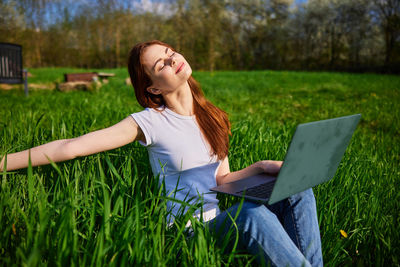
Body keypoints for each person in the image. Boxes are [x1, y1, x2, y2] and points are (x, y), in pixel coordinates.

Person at [0, 40, 323, 266]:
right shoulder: (148, 122)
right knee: (252, 215)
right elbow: (70, 147)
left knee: (298, 190)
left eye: (170, 52)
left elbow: (222, 180)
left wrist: (262, 167)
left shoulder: (214, 117)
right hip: (188, 231)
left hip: (220, 218)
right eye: (161, 63)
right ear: (153, 87)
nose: (172, 59)